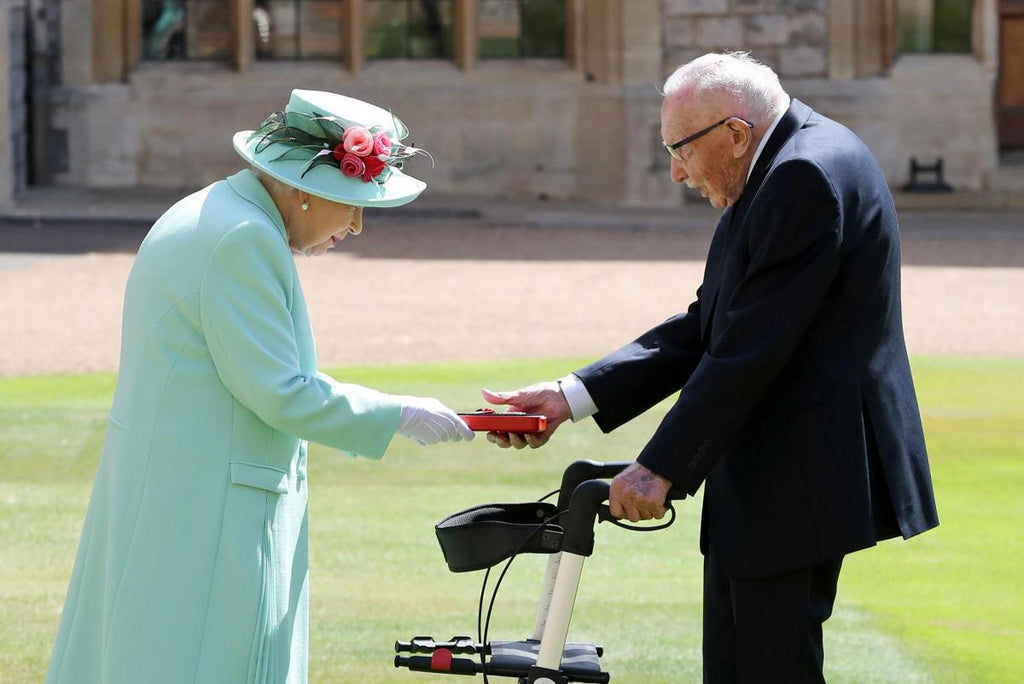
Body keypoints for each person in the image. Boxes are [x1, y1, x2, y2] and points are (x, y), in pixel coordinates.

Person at [483, 52, 939, 683]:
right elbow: (711, 323)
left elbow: (748, 350)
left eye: (682, 149)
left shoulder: (802, 175)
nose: (676, 171)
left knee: (768, 669)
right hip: (768, 466)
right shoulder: (780, 164)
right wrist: (572, 395)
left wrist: (658, 468)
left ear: (734, 133)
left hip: (798, 470)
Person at [45, 90, 474, 684]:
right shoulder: (242, 238)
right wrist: (397, 414)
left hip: (176, 493)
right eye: (350, 204)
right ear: (305, 188)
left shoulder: (219, 212)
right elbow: (280, 392)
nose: (355, 225)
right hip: (209, 510)